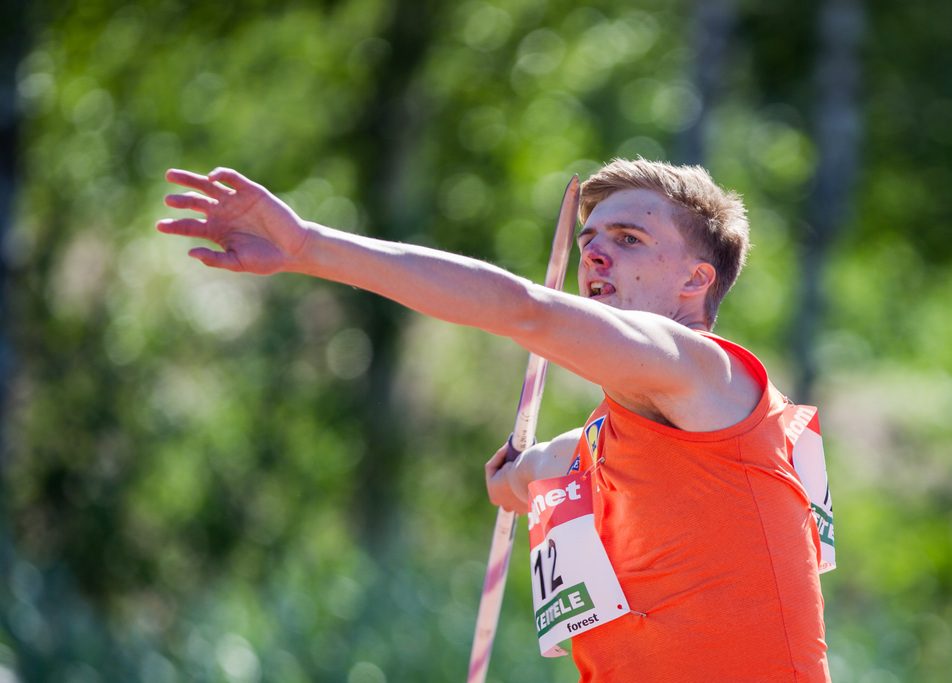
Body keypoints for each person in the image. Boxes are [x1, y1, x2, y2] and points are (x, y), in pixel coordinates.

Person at [158, 158, 830, 682]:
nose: (594, 255)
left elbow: (521, 309)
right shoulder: (596, 447)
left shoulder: (701, 367)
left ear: (696, 280)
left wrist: (307, 245)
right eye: (590, 239)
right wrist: (515, 478)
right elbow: (534, 470)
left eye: (628, 239)